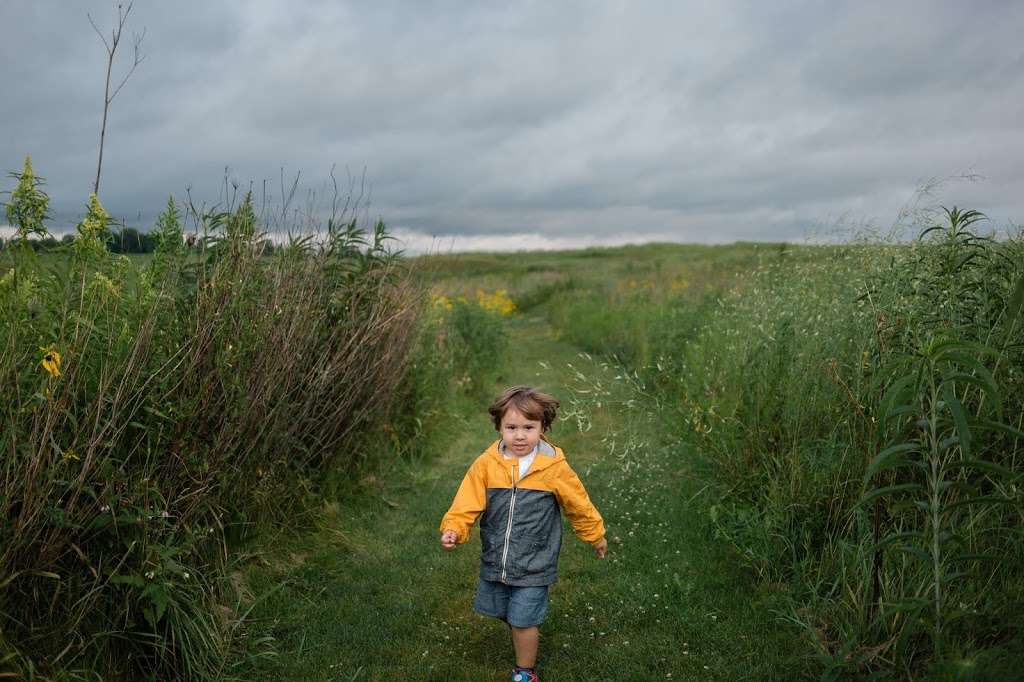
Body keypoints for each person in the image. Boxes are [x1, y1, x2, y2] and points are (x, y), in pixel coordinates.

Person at [440, 385, 608, 682]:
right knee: (499, 610)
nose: (520, 435)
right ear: (499, 428)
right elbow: (466, 500)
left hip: (535, 559)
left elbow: (578, 503)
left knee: (522, 620)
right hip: (497, 558)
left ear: (543, 428)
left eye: (528, 427)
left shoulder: (552, 467)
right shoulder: (487, 464)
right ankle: (522, 625)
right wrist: (454, 528)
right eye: (511, 427)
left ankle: (525, 672)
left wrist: (594, 534)